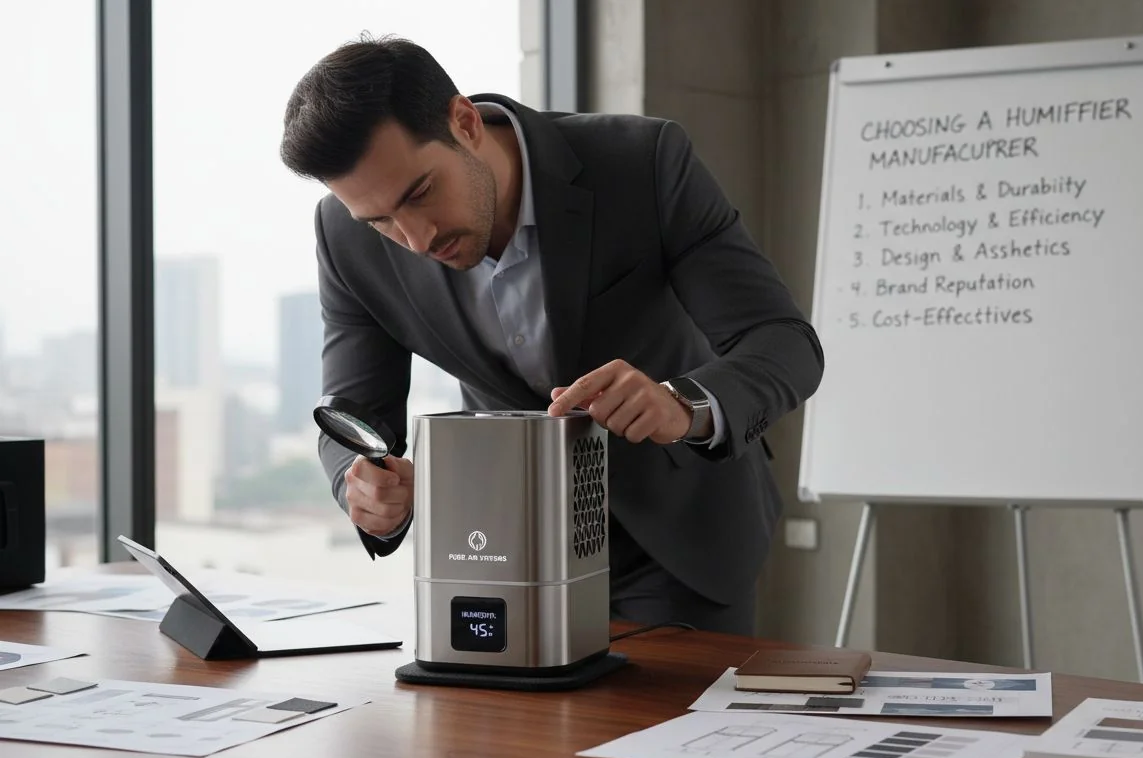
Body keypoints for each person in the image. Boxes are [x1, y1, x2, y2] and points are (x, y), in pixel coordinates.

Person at [279, 35, 823, 636]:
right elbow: (353, 414)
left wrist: (683, 404)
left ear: (464, 122)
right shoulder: (345, 236)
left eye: (420, 193)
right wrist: (364, 487)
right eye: (380, 220)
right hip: (505, 546)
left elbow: (785, 340)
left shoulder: (641, 162)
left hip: (678, 540)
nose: (415, 237)